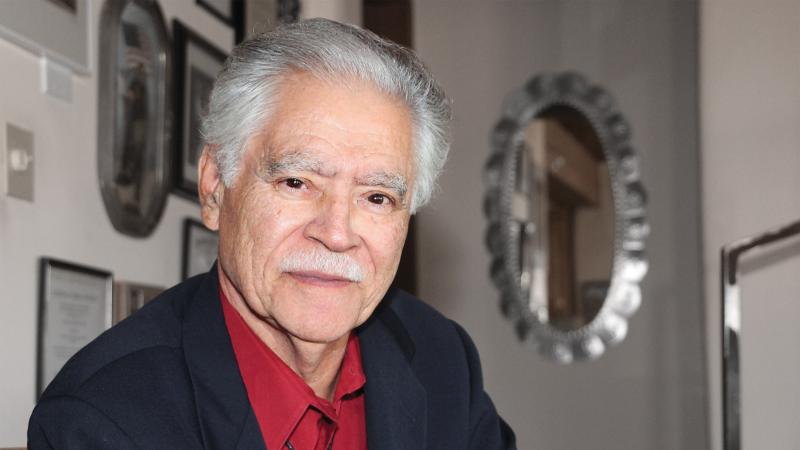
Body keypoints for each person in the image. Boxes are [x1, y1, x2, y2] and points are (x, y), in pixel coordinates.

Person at [28, 18, 516, 450]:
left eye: (376, 197)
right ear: (216, 187)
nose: (337, 233)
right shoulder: (99, 420)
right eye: (297, 182)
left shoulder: (443, 358)